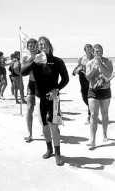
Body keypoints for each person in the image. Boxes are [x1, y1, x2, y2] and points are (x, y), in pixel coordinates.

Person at [21, 36, 69, 166]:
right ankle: (49, 149)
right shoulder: (35, 61)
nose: (42, 46)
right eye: (40, 45)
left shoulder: (57, 61)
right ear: (38, 48)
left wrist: (56, 89)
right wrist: (32, 62)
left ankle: (58, 154)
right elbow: (23, 72)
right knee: (44, 125)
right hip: (40, 97)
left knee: (54, 125)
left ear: (49, 45)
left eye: (44, 44)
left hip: (53, 97)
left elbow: (65, 79)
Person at [85, 44, 113, 147]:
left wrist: (100, 64)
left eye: (99, 51)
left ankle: (104, 134)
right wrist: (94, 67)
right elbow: (88, 77)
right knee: (93, 114)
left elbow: (109, 75)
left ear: (102, 52)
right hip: (93, 91)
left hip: (105, 90)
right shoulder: (89, 63)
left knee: (104, 113)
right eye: (96, 51)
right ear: (93, 52)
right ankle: (92, 139)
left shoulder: (108, 61)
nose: (98, 53)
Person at [72, 44, 94, 124]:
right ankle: (91, 108)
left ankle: (89, 115)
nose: (89, 50)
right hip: (82, 77)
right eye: (87, 49)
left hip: (91, 78)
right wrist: (75, 70)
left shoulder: (94, 58)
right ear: (85, 50)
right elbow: (78, 65)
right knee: (84, 95)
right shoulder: (82, 58)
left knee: (90, 95)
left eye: (90, 48)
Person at [21, 38, 38, 142]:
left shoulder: (41, 56)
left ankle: (46, 129)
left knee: (43, 110)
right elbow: (23, 71)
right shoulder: (25, 58)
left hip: (41, 85)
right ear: (27, 47)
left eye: (33, 45)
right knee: (29, 108)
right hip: (31, 84)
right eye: (29, 46)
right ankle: (29, 133)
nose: (31, 47)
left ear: (37, 46)